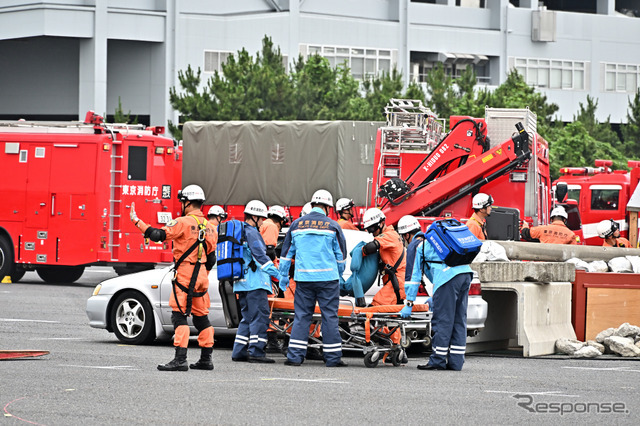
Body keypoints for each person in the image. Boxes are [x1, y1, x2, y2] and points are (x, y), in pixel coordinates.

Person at [130, 184, 217, 371]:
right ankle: (206, 359)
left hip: (185, 276)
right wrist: (201, 275)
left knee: (179, 316)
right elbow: (211, 259)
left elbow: (157, 235)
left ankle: (180, 359)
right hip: (202, 277)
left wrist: (137, 221)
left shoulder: (182, 222)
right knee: (202, 317)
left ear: (187, 202)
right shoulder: (211, 228)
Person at [278, 189, 348, 367]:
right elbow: (341, 256)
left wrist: (283, 277)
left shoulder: (296, 225)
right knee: (329, 317)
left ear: (312, 204)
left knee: (302, 317)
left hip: (304, 279)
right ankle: (333, 359)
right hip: (328, 279)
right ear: (328, 207)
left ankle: (295, 357)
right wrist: (339, 274)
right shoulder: (333, 226)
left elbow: (286, 255)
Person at [400, 236, 473, 371]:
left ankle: (437, 360)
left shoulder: (416, 247)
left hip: (447, 278)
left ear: (406, 235)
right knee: (459, 319)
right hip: (466, 274)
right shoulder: (436, 240)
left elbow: (413, 276)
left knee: (443, 320)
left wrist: (409, 303)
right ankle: (456, 362)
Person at [231, 200, 282, 364]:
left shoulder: (240, 232)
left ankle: (239, 351)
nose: (262, 223)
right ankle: (257, 351)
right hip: (255, 284)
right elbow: (262, 259)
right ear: (253, 216)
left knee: (247, 318)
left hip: (241, 283)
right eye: (261, 218)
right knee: (260, 317)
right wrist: (280, 276)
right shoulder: (252, 233)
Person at [361, 208, 406, 306]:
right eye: (369, 230)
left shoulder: (388, 235)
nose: (371, 232)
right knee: (387, 315)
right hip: (394, 282)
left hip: (396, 283)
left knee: (374, 308)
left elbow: (370, 247)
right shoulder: (390, 235)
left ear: (381, 223)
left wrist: (359, 253)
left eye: (372, 228)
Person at [260, 205, 288, 354]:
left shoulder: (264, 224)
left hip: (261, 272)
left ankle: (269, 340)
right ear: (281, 220)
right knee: (270, 306)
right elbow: (270, 251)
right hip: (267, 273)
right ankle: (271, 341)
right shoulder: (272, 227)